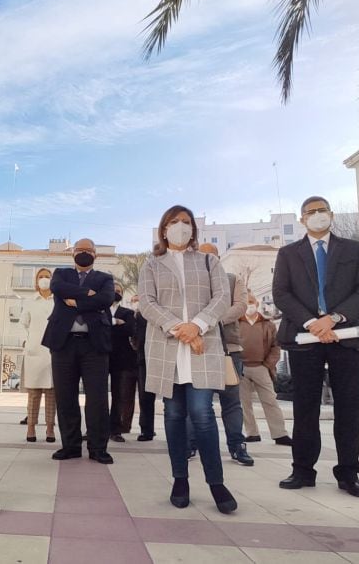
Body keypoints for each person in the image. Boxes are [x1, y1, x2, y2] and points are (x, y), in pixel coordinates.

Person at [273, 196, 359, 498]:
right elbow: (282, 293)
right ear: (302, 219)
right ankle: (303, 470)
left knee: (349, 408)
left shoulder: (354, 250)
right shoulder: (288, 254)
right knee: (305, 407)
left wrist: (333, 319)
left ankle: (348, 474)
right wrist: (312, 323)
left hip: (347, 336)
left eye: (322, 211)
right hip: (305, 338)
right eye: (311, 212)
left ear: (331, 215)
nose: (317, 216)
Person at [140, 205, 237, 514]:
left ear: (193, 229)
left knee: (203, 413)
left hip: (202, 344)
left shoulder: (208, 261)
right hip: (167, 345)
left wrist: (197, 325)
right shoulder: (151, 265)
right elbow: (147, 302)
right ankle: (179, 479)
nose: (180, 227)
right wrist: (176, 327)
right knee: (173, 414)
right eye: (173, 222)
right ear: (163, 229)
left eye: (185, 222)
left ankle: (216, 483)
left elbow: (222, 297)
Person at [42, 238, 116, 464]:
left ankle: (98, 448)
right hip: (63, 343)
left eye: (88, 250)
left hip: (94, 344)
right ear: (72, 253)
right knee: (65, 397)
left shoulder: (105, 278)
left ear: (96, 254)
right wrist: (89, 295)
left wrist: (77, 301)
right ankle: (71, 446)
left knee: (98, 398)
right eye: (79, 250)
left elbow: (106, 298)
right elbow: (57, 288)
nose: (83, 253)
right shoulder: (61, 274)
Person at [198, 243, 254, 466]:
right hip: (199, 349)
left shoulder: (232, 279)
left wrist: (213, 320)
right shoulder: (193, 281)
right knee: (199, 402)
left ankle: (237, 445)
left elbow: (240, 305)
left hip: (228, 348)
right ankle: (192, 443)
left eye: (211, 256)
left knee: (231, 401)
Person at [238, 295, 292, 446]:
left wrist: (268, 364)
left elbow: (276, 346)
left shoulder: (268, 324)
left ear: (257, 304)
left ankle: (280, 434)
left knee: (270, 401)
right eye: (247, 304)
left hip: (261, 367)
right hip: (241, 368)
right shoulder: (236, 323)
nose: (250, 306)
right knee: (244, 403)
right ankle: (252, 433)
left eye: (251, 303)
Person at [22, 268, 56, 443]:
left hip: (52, 352)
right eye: (41, 277)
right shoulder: (29, 301)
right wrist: (26, 344)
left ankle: (50, 428)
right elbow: (22, 325)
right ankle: (31, 428)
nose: (44, 279)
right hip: (34, 350)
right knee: (33, 393)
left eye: (47, 277)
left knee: (51, 393)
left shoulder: (58, 301)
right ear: (36, 281)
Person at [109, 284, 138, 442]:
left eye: (119, 291)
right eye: (113, 290)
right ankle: (95, 428)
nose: (116, 293)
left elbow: (129, 330)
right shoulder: (99, 311)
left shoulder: (128, 312)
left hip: (121, 359)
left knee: (118, 395)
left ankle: (115, 429)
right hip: (100, 357)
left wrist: (109, 324)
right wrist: (114, 322)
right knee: (96, 396)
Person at [131, 295, 156, 441]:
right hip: (143, 359)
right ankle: (146, 429)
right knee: (145, 396)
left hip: (157, 357)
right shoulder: (137, 316)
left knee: (170, 398)